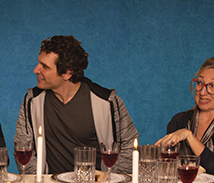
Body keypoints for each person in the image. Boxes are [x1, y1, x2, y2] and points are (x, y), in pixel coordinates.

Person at [15, 35, 139, 174]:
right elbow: (23, 146)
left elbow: (129, 146)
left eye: (45, 66)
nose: (36, 70)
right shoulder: (32, 100)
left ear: (67, 74)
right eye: (39, 63)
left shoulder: (107, 101)